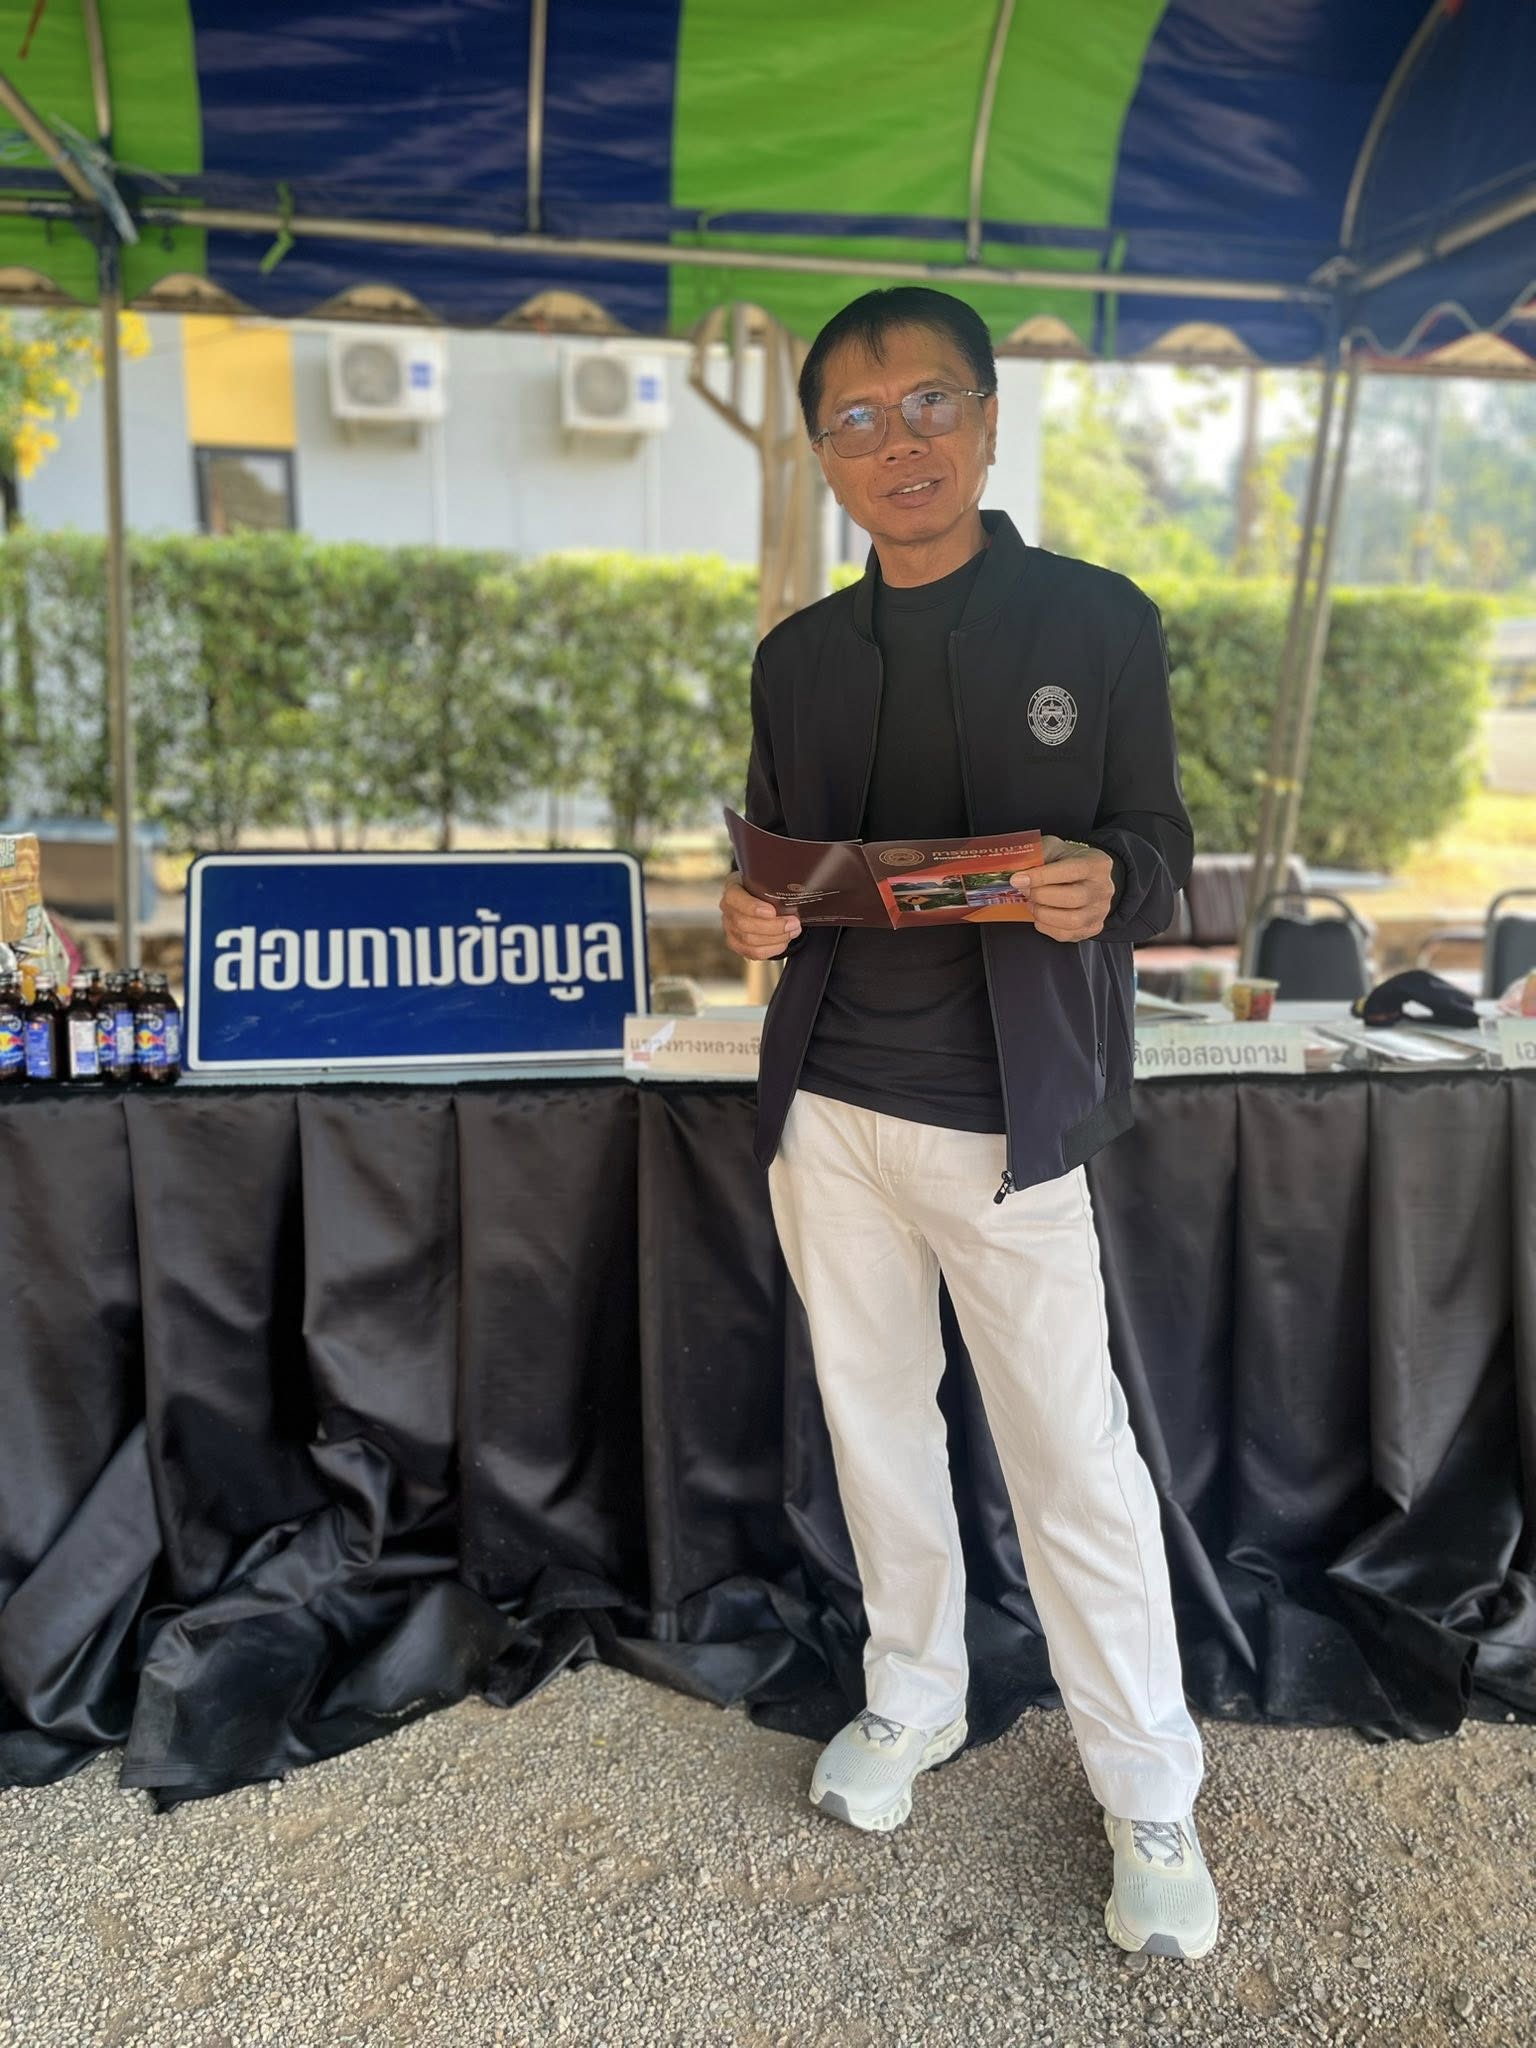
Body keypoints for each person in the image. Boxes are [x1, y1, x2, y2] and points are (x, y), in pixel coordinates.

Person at [718, 287, 1217, 1962]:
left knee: (1073, 1455)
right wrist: (748, 913)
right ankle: (915, 1691)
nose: (899, 443)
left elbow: (1161, 843)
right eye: (857, 421)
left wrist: (1110, 878)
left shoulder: (1096, 619)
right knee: (873, 1423)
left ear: (990, 421)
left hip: (1011, 1116)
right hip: (827, 1110)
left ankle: (1148, 1787)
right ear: (824, 457)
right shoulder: (798, 657)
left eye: (929, 404)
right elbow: (777, 868)